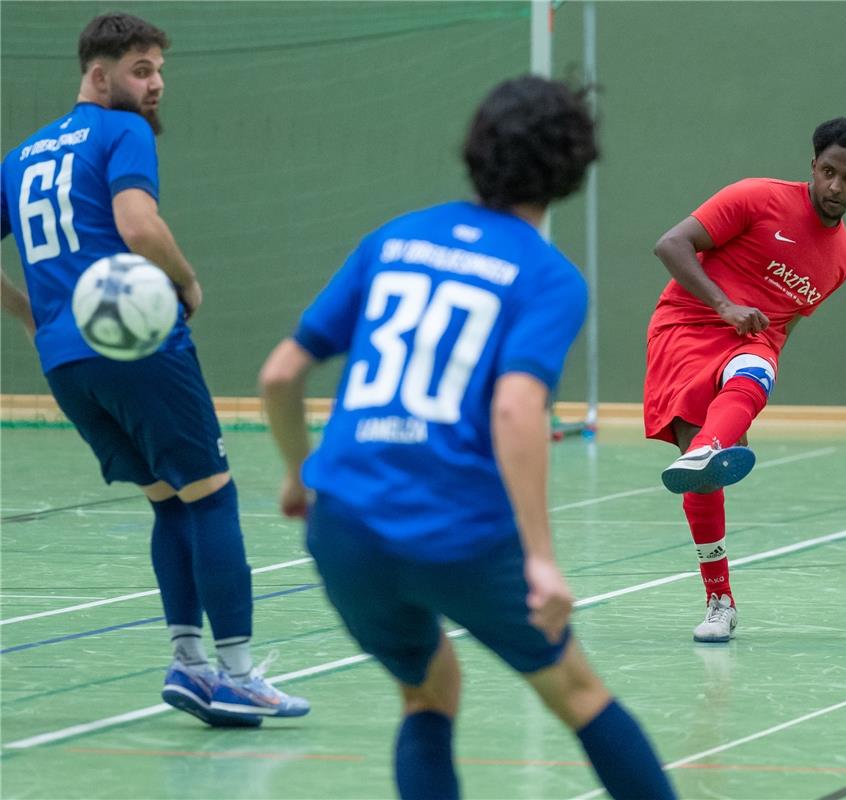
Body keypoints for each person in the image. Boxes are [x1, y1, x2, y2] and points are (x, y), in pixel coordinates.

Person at [259, 75, 677, 800]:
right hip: (458, 532)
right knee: (577, 694)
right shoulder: (547, 275)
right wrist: (541, 559)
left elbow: (278, 376)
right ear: (573, 170)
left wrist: (300, 476)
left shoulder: (393, 238)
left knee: (428, 688)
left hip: (345, 525)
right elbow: (517, 408)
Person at [0, 12, 309, 726]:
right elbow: (137, 224)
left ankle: (191, 666)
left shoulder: (21, 156)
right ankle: (233, 672)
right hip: (135, 345)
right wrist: (189, 283)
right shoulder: (121, 132)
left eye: (160, 71)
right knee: (214, 497)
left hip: (66, 364)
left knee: (171, 500)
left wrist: (28, 314)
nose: (156, 86)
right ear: (99, 76)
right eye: (142, 71)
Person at [644, 118, 846, 642]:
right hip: (688, 324)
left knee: (755, 369)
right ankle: (719, 598)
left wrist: (745, 404)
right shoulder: (755, 197)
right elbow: (670, 245)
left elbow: (784, 325)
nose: (835, 187)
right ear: (812, 167)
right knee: (703, 483)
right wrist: (724, 305)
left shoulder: (842, 260)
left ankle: (709, 443)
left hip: (753, 342)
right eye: (827, 172)